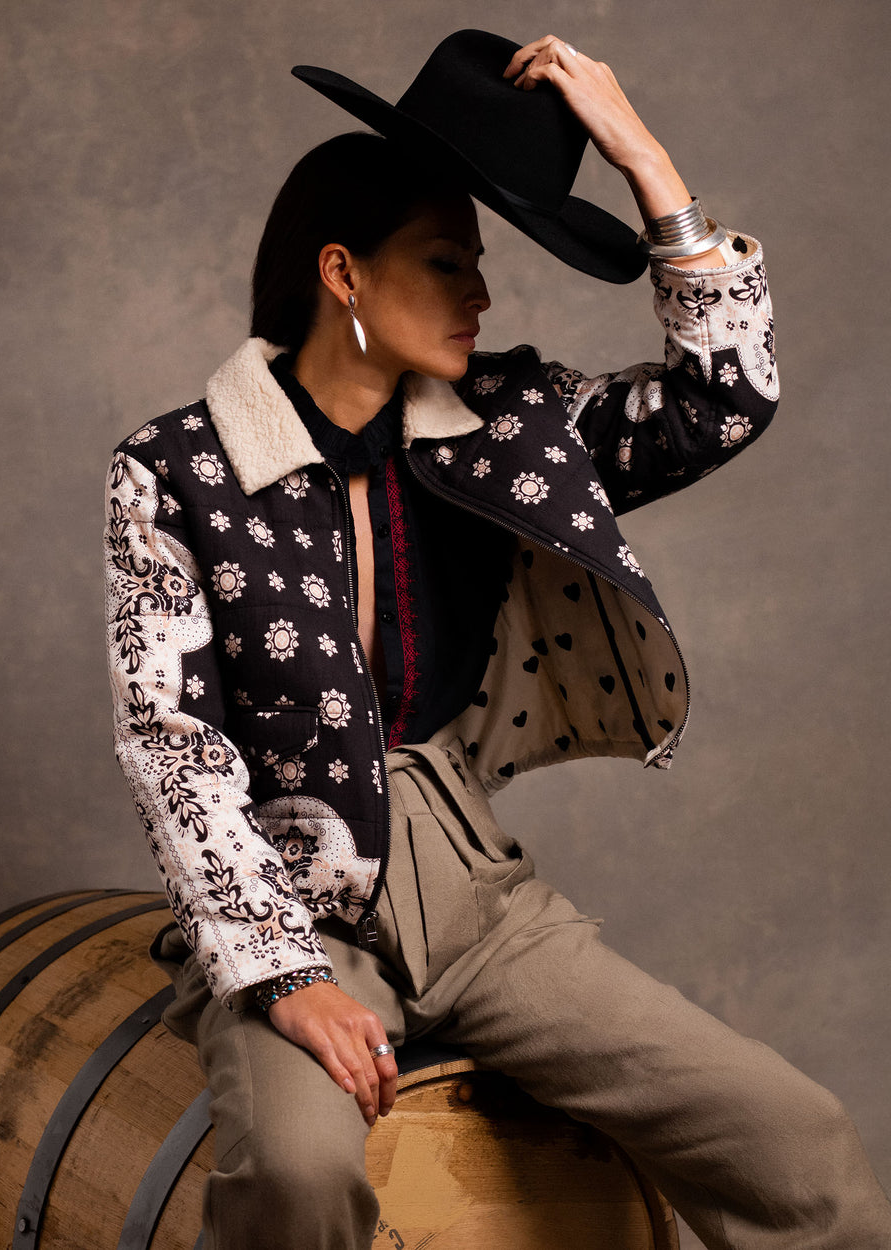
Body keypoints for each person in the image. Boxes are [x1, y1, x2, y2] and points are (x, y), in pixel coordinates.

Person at [104, 29, 891, 1250]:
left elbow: (721, 397)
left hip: (474, 893)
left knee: (795, 1138)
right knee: (302, 1181)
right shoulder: (175, 471)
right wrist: (282, 972)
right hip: (288, 902)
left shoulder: (509, 423)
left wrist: (643, 161)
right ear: (343, 274)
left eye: (480, 264)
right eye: (446, 264)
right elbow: (173, 742)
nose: (481, 294)